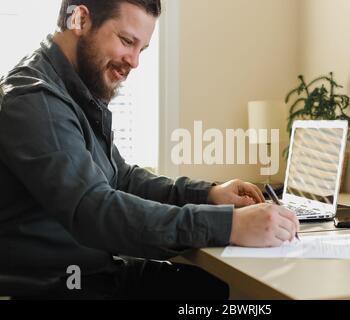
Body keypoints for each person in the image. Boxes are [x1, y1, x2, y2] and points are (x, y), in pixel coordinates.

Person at [0, 0, 300, 300]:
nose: (134, 62)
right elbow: (93, 210)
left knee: (220, 287)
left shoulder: (74, 90)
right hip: (61, 286)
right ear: (80, 19)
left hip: (94, 273)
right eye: (127, 41)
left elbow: (122, 179)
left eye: (141, 49)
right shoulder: (34, 99)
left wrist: (209, 194)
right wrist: (229, 225)